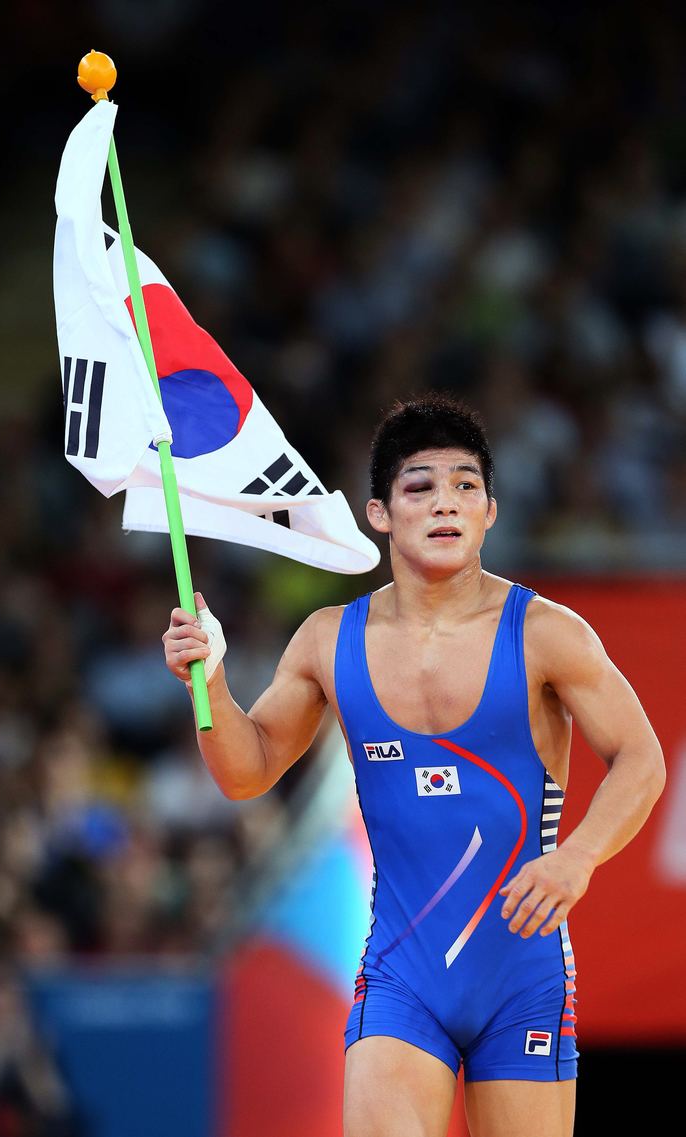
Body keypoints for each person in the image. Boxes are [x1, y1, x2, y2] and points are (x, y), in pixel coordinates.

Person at [162, 393, 665, 1137]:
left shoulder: (548, 634)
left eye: (466, 485)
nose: (446, 504)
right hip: (403, 976)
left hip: (521, 977)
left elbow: (642, 757)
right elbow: (248, 770)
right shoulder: (329, 639)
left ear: (491, 510)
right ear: (379, 513)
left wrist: (579, 858)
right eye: (420, 486)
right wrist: (209, 681)